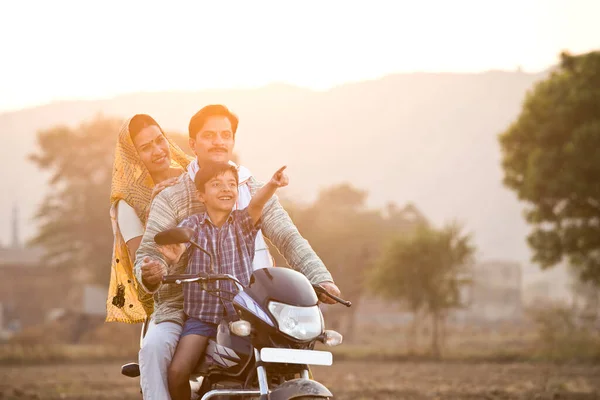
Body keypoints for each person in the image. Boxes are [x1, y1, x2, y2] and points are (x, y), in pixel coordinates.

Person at [133, 104, 341, 400]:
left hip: (253, 303)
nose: (218, 141)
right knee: (155, 350)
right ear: (193, 144)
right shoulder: (173, 195)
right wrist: (154, 271)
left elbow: (288, 236)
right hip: (186, 306)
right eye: (209, 135)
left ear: (232, 141)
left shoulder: (251, 190)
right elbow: (149, 254)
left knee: (290, 353)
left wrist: (320, 278)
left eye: (225, 135)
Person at [158, 162, 289, 400]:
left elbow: (257, 203)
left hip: (240, 316)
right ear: (201, 195)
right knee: (177, 372)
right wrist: (174, 256)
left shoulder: (243, 223)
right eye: (216, 184)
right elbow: (178, 246)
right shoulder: (192, 225)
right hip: (203, 317)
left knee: (269, 361)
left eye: (231, 184)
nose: (226, 189)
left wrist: (272, 185)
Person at [106, 114, 192, 323]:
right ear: (134, 156)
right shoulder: (128, 201)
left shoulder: (191, 176)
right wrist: (154, 208)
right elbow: (141, 260)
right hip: (167, 298)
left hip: (212, 285)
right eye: (146, 148)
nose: (158, 151)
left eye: (159, 140)